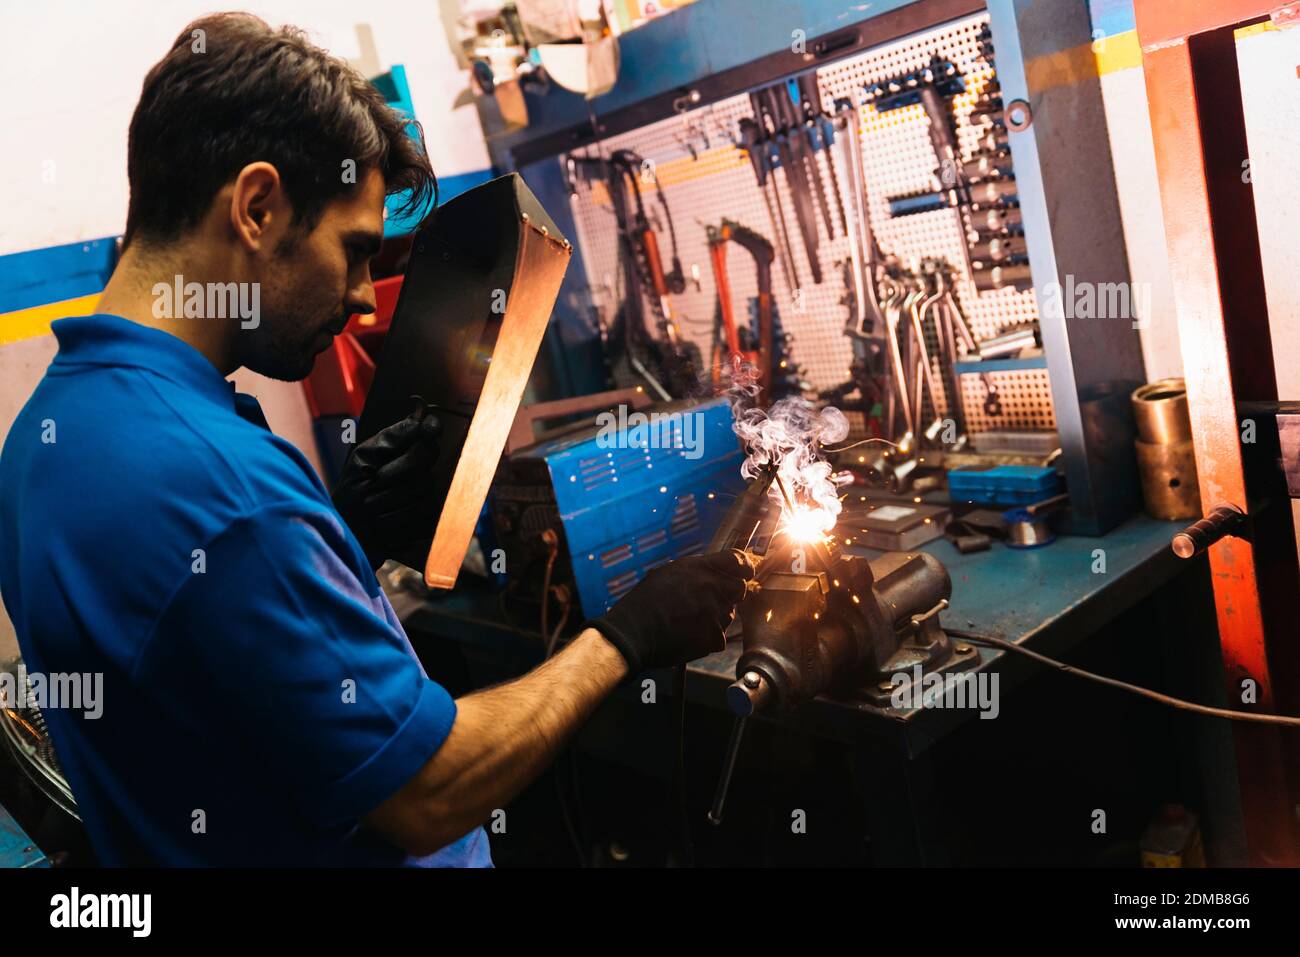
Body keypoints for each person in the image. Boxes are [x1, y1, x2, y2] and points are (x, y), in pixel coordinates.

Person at [0, 12, 753, 866]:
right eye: (355, 250)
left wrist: (335, 536)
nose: (364, 297)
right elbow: (428, 790)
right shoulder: (225, 492)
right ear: (256, 207)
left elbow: (207, 674)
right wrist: (631, 633)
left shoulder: (42, 441)